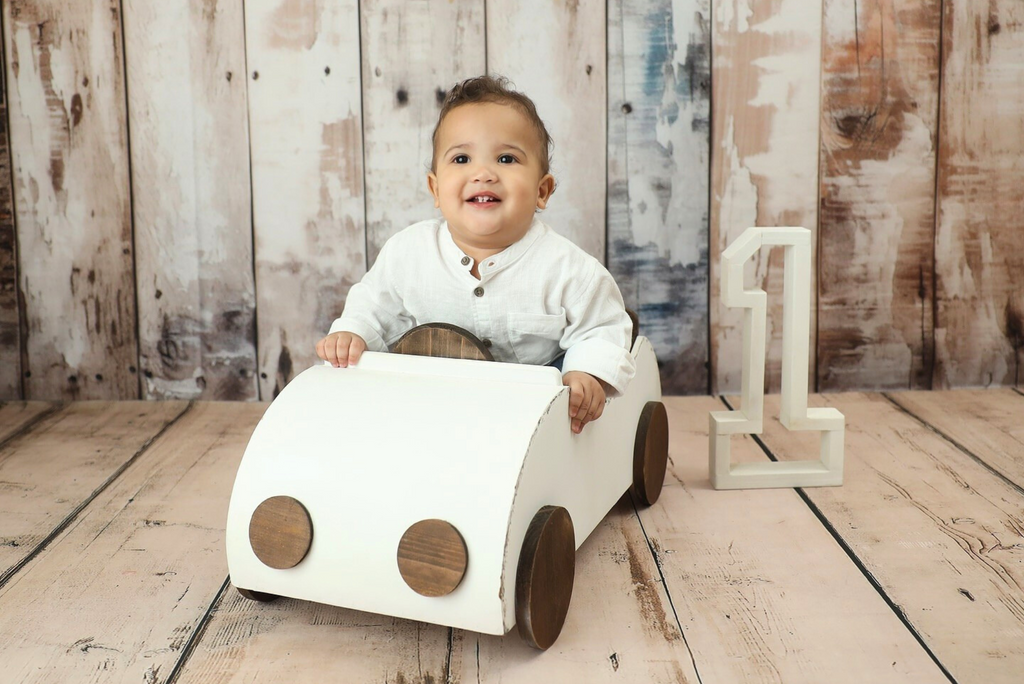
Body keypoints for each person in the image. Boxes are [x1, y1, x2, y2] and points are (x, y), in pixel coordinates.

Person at [316, 75, 635, 434]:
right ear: (435, 189)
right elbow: (373, 306)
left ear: (542, 190)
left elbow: (602, 328)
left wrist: (586, 372)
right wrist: (353, 332)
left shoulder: (570, 271)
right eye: (462, 158)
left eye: (506, 158)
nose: (483, 173)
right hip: (430, 412)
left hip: (532, 423)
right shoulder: (408, 254)